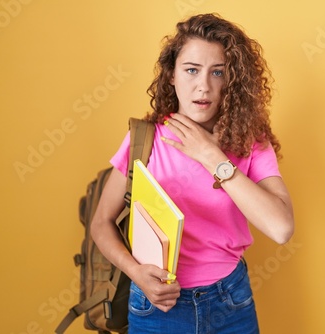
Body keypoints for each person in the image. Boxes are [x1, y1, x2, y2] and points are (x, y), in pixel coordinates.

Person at [91, 13, 295, 333]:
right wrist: (136, 272)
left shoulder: (251, 142)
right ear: (172, 75)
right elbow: (101, 223)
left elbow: (281, 228)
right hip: (157, 304)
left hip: (231, 301)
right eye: (191, 70)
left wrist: (212, 156)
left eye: (218, 72)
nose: (204, 86)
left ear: (232, 79)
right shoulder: (145, 139)